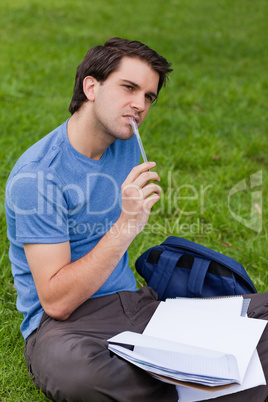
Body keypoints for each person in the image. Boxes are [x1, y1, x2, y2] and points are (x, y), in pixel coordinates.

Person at [4, 37, 268, 402]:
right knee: (76, 373)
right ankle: (205, 380)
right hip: (69, 329)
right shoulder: (37, 179)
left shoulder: (123, 141)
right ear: (91, 87)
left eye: (149, 96)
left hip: (137, 307)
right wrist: (127, 224)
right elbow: (57, 301)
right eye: (129, 88)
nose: (140, 105)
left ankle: (189, 376)